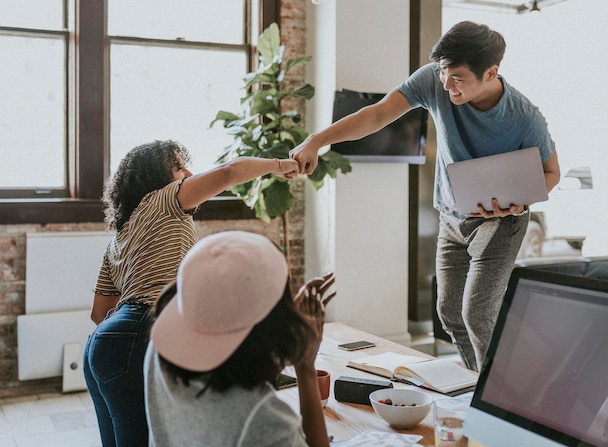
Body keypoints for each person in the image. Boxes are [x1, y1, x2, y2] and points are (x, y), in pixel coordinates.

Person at [290, 21, 560, 372]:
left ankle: (498, 399)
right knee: (449, 314)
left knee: (477, 315)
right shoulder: (436, 78)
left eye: (458, 77)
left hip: (501, 223)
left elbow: (551, 172)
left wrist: (522, 200)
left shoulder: (524, 117)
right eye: (444, 72)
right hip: (452, 216)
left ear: (491, 72)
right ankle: (478, 385)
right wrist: (316, 140)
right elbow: (377, 114)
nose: (446, 84)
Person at [83, 139, 299, 447]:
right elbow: (227, 174)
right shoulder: (161, 200)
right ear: (156, 179)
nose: (188, 172)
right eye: (178, 167)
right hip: (141, 332)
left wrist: (121, 336)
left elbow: (98, 313)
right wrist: (278, 166)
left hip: (101, 344)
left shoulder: (119, 237)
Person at [144, 231, 336, 447]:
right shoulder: (263, 419)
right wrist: (305, 364)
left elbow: (232, 358)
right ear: (273, 319)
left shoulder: (160, 351)